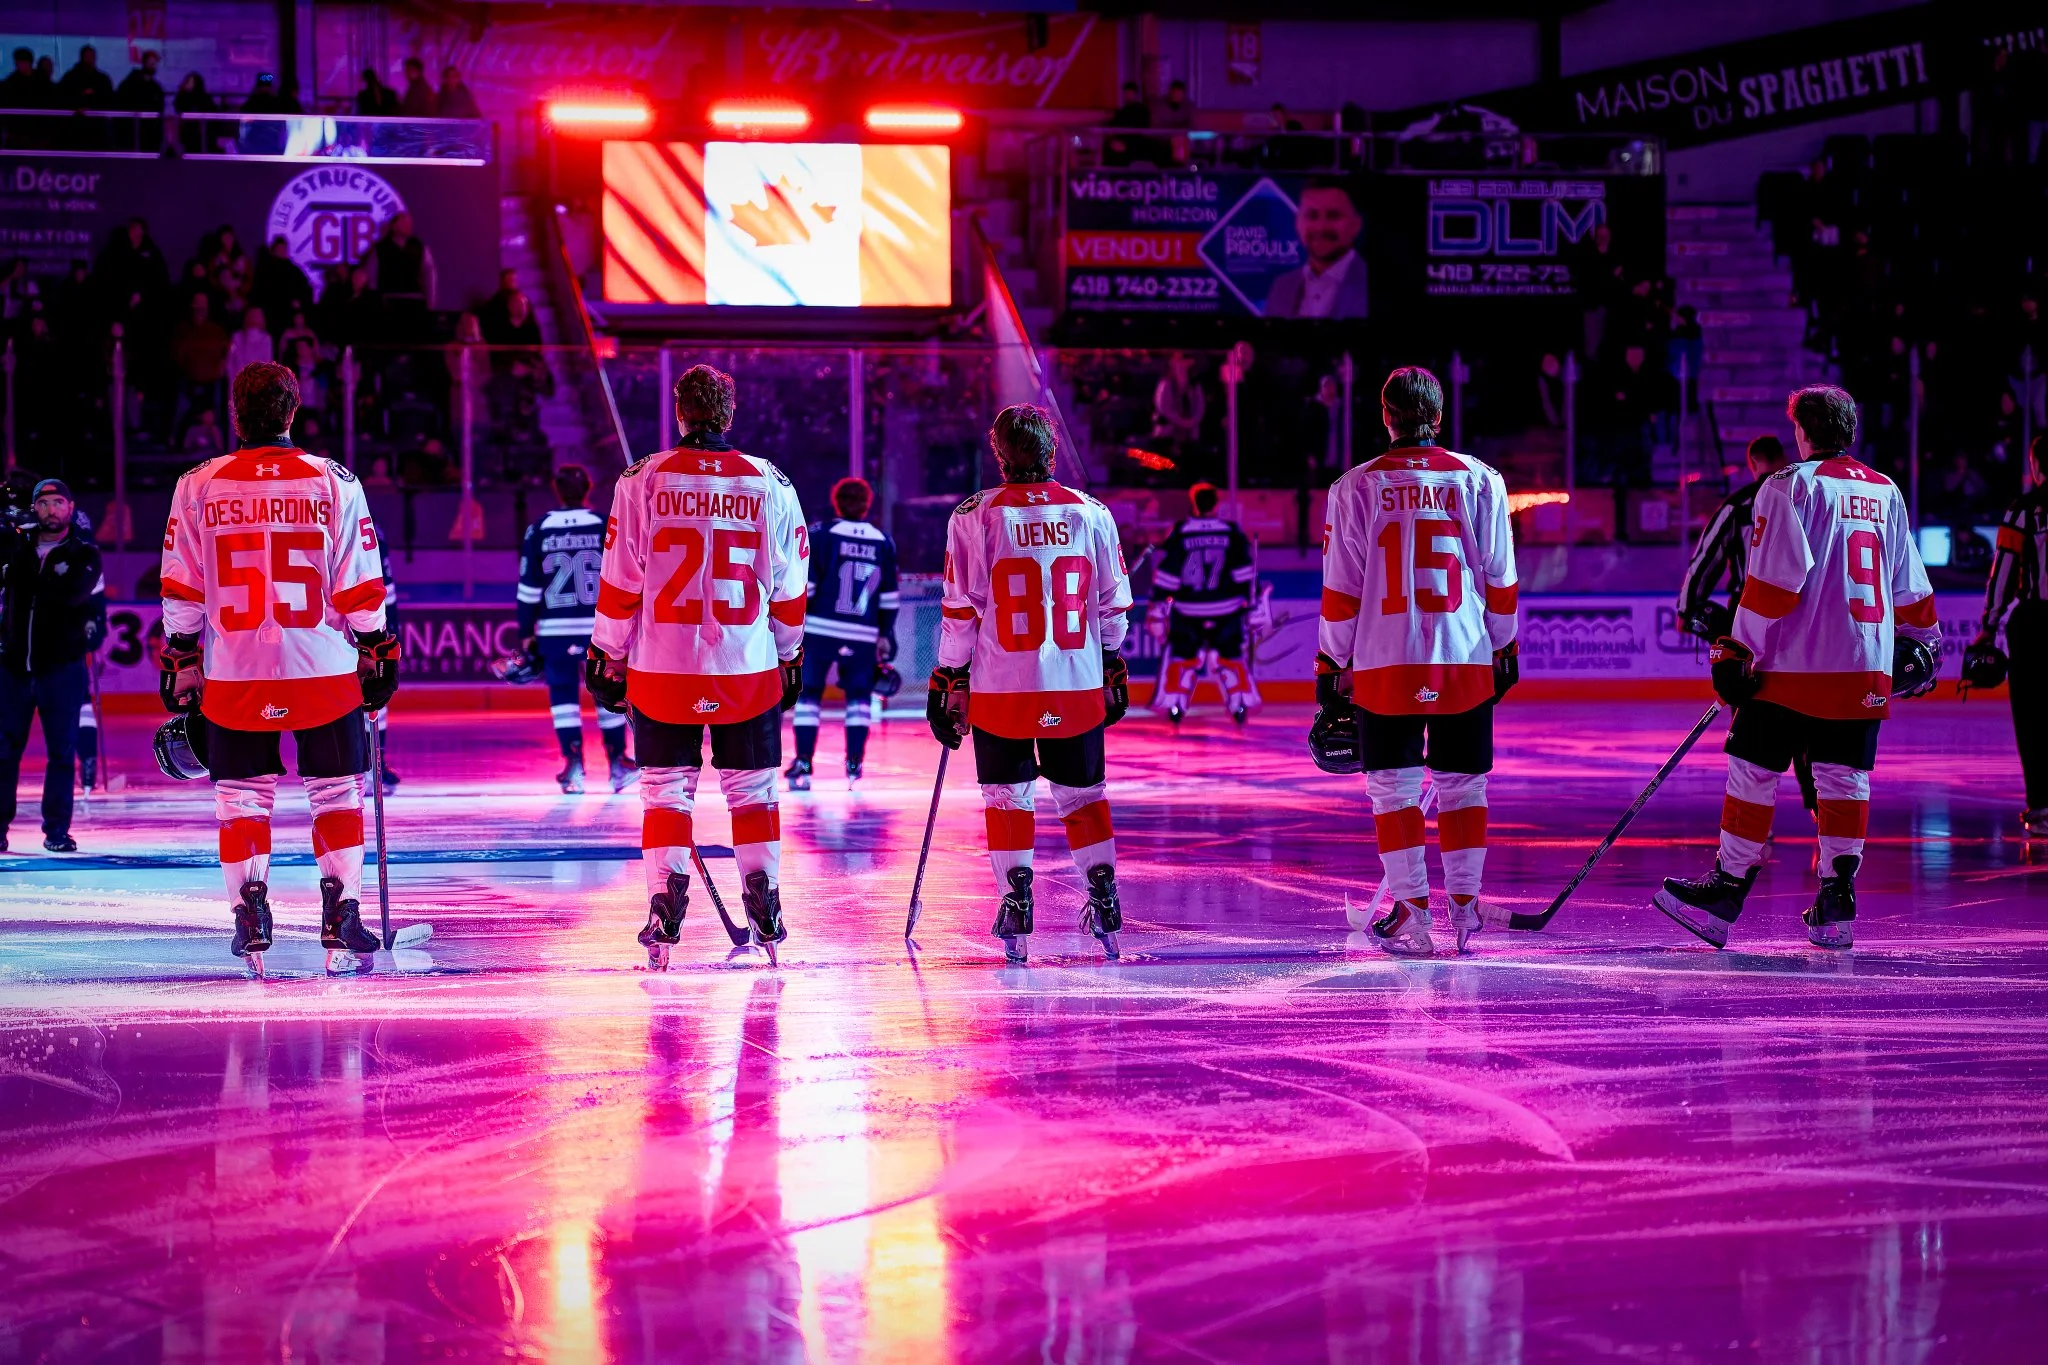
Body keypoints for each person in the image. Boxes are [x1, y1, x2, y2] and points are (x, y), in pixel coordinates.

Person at [1656, 385, 1941, 951]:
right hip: (1864, 666)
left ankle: (1729, 887)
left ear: (1802, 434)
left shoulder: (1788, 486)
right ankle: (1837, 899)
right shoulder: (1886, 490)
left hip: (1794, 665)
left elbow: (1771, 586)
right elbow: (1911, 587)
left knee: (1752, 766)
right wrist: (1926, 643)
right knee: (1843, 779)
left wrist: (1736, 650)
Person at [158, 361, 398, 972]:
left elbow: (181, 589)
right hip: (322, 666)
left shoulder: (197, 484)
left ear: (235, 413)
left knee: (241, 797)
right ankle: (341, 912)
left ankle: (251, 912)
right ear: (294, 412)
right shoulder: (333, 480)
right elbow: (360, 584)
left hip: (237, 671)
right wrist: (376, 647)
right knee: (336, 791)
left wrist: (183, 659)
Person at [586, 364, 808, 968]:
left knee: (664, 792)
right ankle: (764, 895)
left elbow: (620, 583)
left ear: (679, 412)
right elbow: (789, 590)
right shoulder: (771, 482)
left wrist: (606, 651)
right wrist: (789, 653)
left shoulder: (641, 480)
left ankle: (665, 901)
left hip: (662, 669)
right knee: (754, 792)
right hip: (746, 666)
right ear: (729, 413)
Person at [1313, 367, 1519, 958]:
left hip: (1384, 662)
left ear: (1386, 416)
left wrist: (1331, 660)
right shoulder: (1481, 479)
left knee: (1393, 791)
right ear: (1439, 413)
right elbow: (1500, 578)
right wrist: (1504, 644)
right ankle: (1465, 906)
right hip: (1463, 654)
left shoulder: (1354, 487)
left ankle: (1411, 909)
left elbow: (1342, 588)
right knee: (1464, 787)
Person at [928, 404, 1134, 964]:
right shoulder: (1091, 512)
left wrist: (949, 673)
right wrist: (1111, 657)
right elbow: (1114, 603)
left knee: (1007, 799)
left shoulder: (974, 515)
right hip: (1076, 681)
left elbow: (959, 612)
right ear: (1052, 450)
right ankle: (1104, 895)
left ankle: (1016, 901)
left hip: (1003, 688)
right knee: (1084, 798)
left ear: (999, 453)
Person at [0, 479, 106, 852]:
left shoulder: (84, 555)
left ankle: (56, 831)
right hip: (13, 667)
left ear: (71, 508)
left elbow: (70, 596)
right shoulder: (15, 550)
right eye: (42, 503)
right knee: (3, 751)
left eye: (58, 502)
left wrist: (27, 561)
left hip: (61, 668)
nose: (50, 510)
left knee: (61, 752)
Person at [514, 463, 634, 793]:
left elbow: (528, 588)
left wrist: (525, 631)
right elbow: (624, 575)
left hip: (555, 628)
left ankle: (574, 765)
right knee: (607, 691)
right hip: (600, 626)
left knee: (563, 697)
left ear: (556, 489)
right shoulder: (603, 523)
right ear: (588, 488)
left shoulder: (539, 528)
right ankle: (618, 763)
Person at [787, 476, 899, 790]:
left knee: (808, 696)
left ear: (836, 501)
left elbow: (805, 587)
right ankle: (854, 766)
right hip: (863, 632)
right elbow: (889, 596)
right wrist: (885, 633)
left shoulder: (821, 534)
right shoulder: (883, 540)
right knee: (860, 699)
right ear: (867, 503)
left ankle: (804, 763)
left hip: (821, 629)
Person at [1977, 435, 2048, 832]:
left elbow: (2002, 575)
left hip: (2036, 624)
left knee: (2034, 717)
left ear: (2036, 464)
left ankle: (2041, 806)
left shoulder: (2024, 510)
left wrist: (1989, 626)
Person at [1150, 482, 1260, 726]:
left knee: (1183, 658)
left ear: (1194, 503)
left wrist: (1159, 601)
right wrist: (1251, 599)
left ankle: (1177, 705)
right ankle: (1238, 703)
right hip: (1227, 608)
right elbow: (1244, 573)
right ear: (1216, 504)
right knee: (1230, 657)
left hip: (1188, 609)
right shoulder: (1230, 532)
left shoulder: (1182, 531)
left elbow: (1169, 573)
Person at [1677, 435, 1795, 643]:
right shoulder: (1806, 499)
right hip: (1797, 613)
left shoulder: (1737, 505)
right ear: (1783, 459)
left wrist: (1686, 610)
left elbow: (1706, 558)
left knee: (1744, 672)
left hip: (1748, 615)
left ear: (1754, 463)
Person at [1265, 178, 1368, 320]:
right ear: (1298, 223)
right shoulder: (1282, 287)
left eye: (1333, 216)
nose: (1321, 227)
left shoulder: (1371, 283)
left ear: (1356, 225)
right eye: (1312, 216)